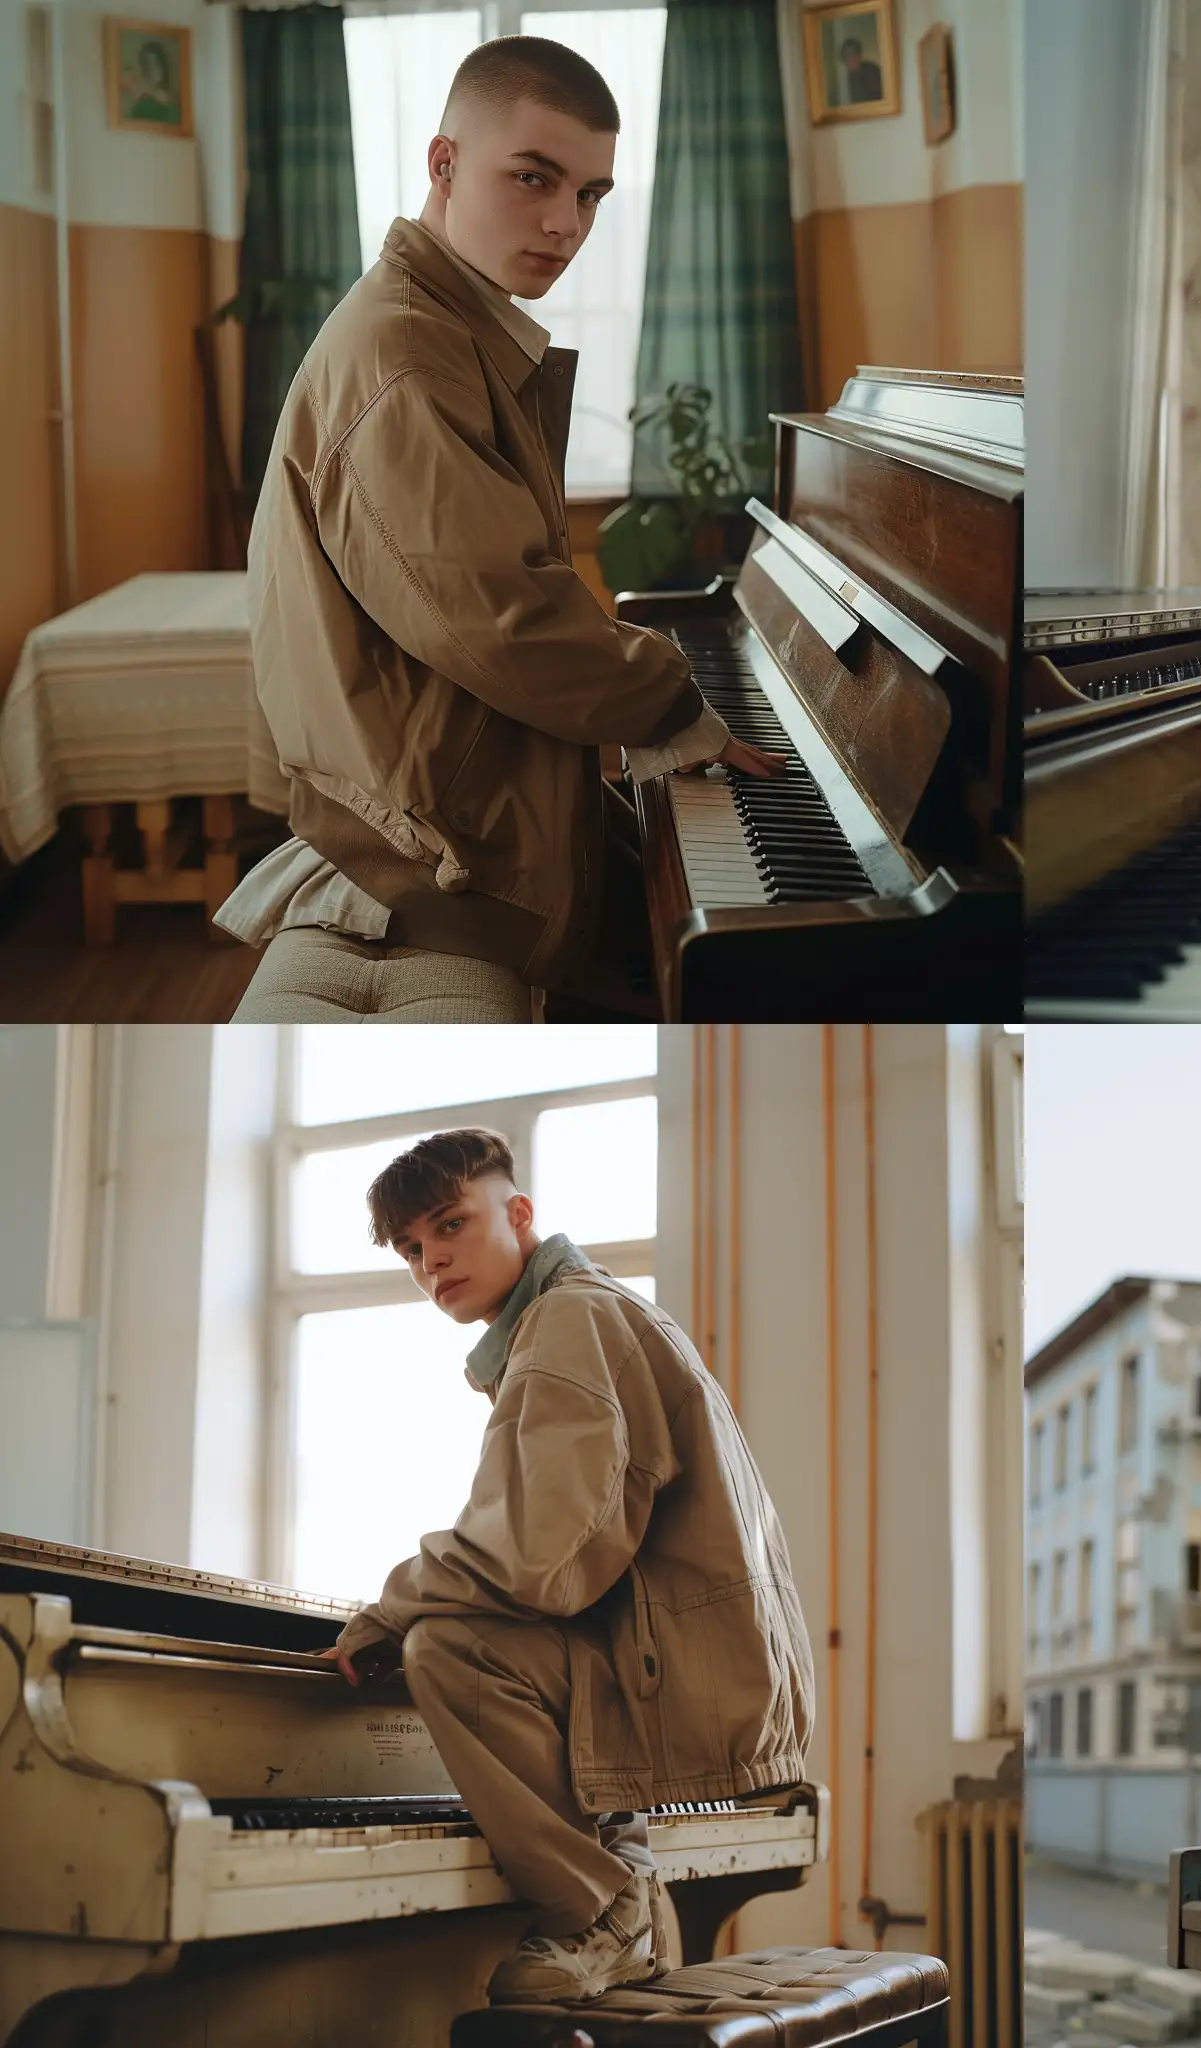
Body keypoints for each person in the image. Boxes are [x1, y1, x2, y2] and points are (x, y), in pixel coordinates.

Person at [222, 38, 783, 1022]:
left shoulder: (447, 325)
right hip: (432, 854)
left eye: (592, 194)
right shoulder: (405, 353)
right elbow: (500, 617)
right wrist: (667, 703)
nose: (566, 224)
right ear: (443, 165)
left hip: (463, 802)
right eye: (533, 178)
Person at [316, 1127, 814, 2004]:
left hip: (682, 1676)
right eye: (411, 1248)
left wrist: (393, 1607)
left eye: (450, 1226)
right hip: (686, 1666)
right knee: (470, 1629)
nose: (432, 1259)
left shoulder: (568, 1318)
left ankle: (599, 1911)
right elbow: (574, 1559)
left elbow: (547, 1555)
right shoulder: (578, 1313)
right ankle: (617, 1880)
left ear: (519, 1214)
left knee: (450, 1649)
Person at [838, 35, 885, 103]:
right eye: (846, 57)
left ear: (859, 55)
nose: (850, 60)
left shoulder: (872, 71)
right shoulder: (845, 79)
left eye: (853, 56)